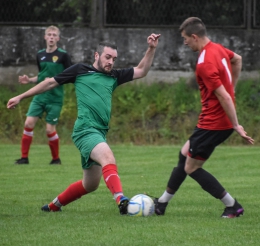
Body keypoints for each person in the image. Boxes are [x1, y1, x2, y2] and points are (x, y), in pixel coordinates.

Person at [7, 33, 161, 215]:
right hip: (85, 130)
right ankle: (122, 201)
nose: (111, 62)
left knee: (90, 184)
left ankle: (53, 205)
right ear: (97, 55)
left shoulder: (114, 76)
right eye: (107, 57)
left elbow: (142, 70)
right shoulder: (80, 70)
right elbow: (49, 83)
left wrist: (151, 48)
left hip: (99, 133)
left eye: (114, 59)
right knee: (108, 158)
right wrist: (21, 96)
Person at [153, 17, 254, 218]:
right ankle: (162, 204)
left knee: (191, 167)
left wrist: (236, 125)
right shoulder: (217, 48)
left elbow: (224, 97)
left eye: (185, 39)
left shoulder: (204, 63)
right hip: (214, 121)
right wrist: (231, 86)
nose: (184, 43)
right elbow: (238, 59)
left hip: (214, 123)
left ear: (194, 36)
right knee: (184, 155)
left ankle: (233, 206)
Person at [15, 25, 72, 165]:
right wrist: (29, 80)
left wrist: (54, 81)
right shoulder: (40, 54)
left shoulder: (63, 55)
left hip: (55, 98)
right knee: (28, 123)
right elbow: (41, 77)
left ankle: (56, 159)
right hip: (40, 96)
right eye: (49, 35)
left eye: (54, 35)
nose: (51, 37)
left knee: (49, 129)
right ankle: (24, 158)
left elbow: (70, 75)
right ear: (45, 37)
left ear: (58, 38)